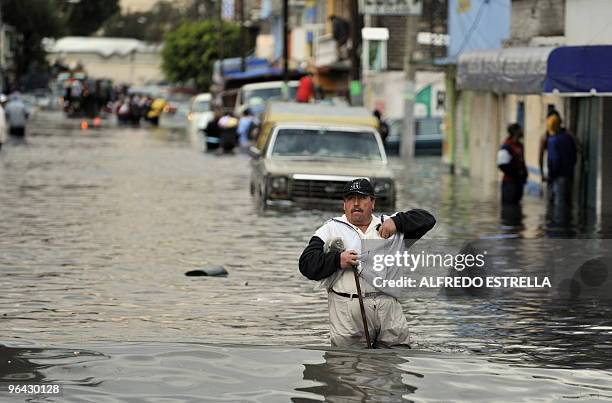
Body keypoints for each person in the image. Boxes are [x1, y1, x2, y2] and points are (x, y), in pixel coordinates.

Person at [299, 178, 436, 348]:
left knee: (393, 365)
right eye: (350, 199)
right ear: (344, 204)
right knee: (346, 368)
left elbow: (428, 219)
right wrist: (337, 260)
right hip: (347, 310)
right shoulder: (330, 229)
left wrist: (397, 222)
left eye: (362, 198)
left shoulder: (389, 224)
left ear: (373, 202)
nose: (356, 203)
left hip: (388, 307)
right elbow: (306, 264)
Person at [545, 114, 576, 223]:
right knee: (567, 205)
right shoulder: (568, 138)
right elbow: (574, 157)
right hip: (569, 176)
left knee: (559, 209)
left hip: (558, 178)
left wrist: (551, 176)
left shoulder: (552, 140)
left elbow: (555, 160)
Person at [497, 123, 528, 205]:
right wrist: (515, 173)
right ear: (515, 132)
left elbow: (522, 161)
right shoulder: (506, 146)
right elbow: (502, 165)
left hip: (518, 183)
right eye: (520, 129)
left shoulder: (520, 146)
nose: (522, 131)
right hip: (509, 184)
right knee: (508, 209)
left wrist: (524, 174)